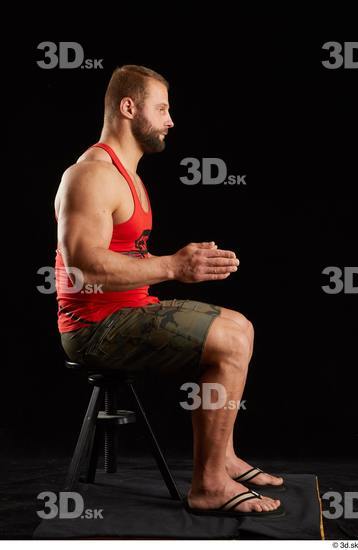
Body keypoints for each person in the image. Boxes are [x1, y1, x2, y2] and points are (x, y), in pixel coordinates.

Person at [54, 65, 284, 518]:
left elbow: (124, 259)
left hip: (128, 312)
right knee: (231, 338)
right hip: (94, 328)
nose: (170, 119)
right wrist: (175, 265)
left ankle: (224, 458)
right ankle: (209, 485)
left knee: (240, 327)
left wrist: (178, 268)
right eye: (162, 108)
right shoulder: (92, 174)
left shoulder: (131, 177)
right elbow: (82, 265)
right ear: (128, 107)